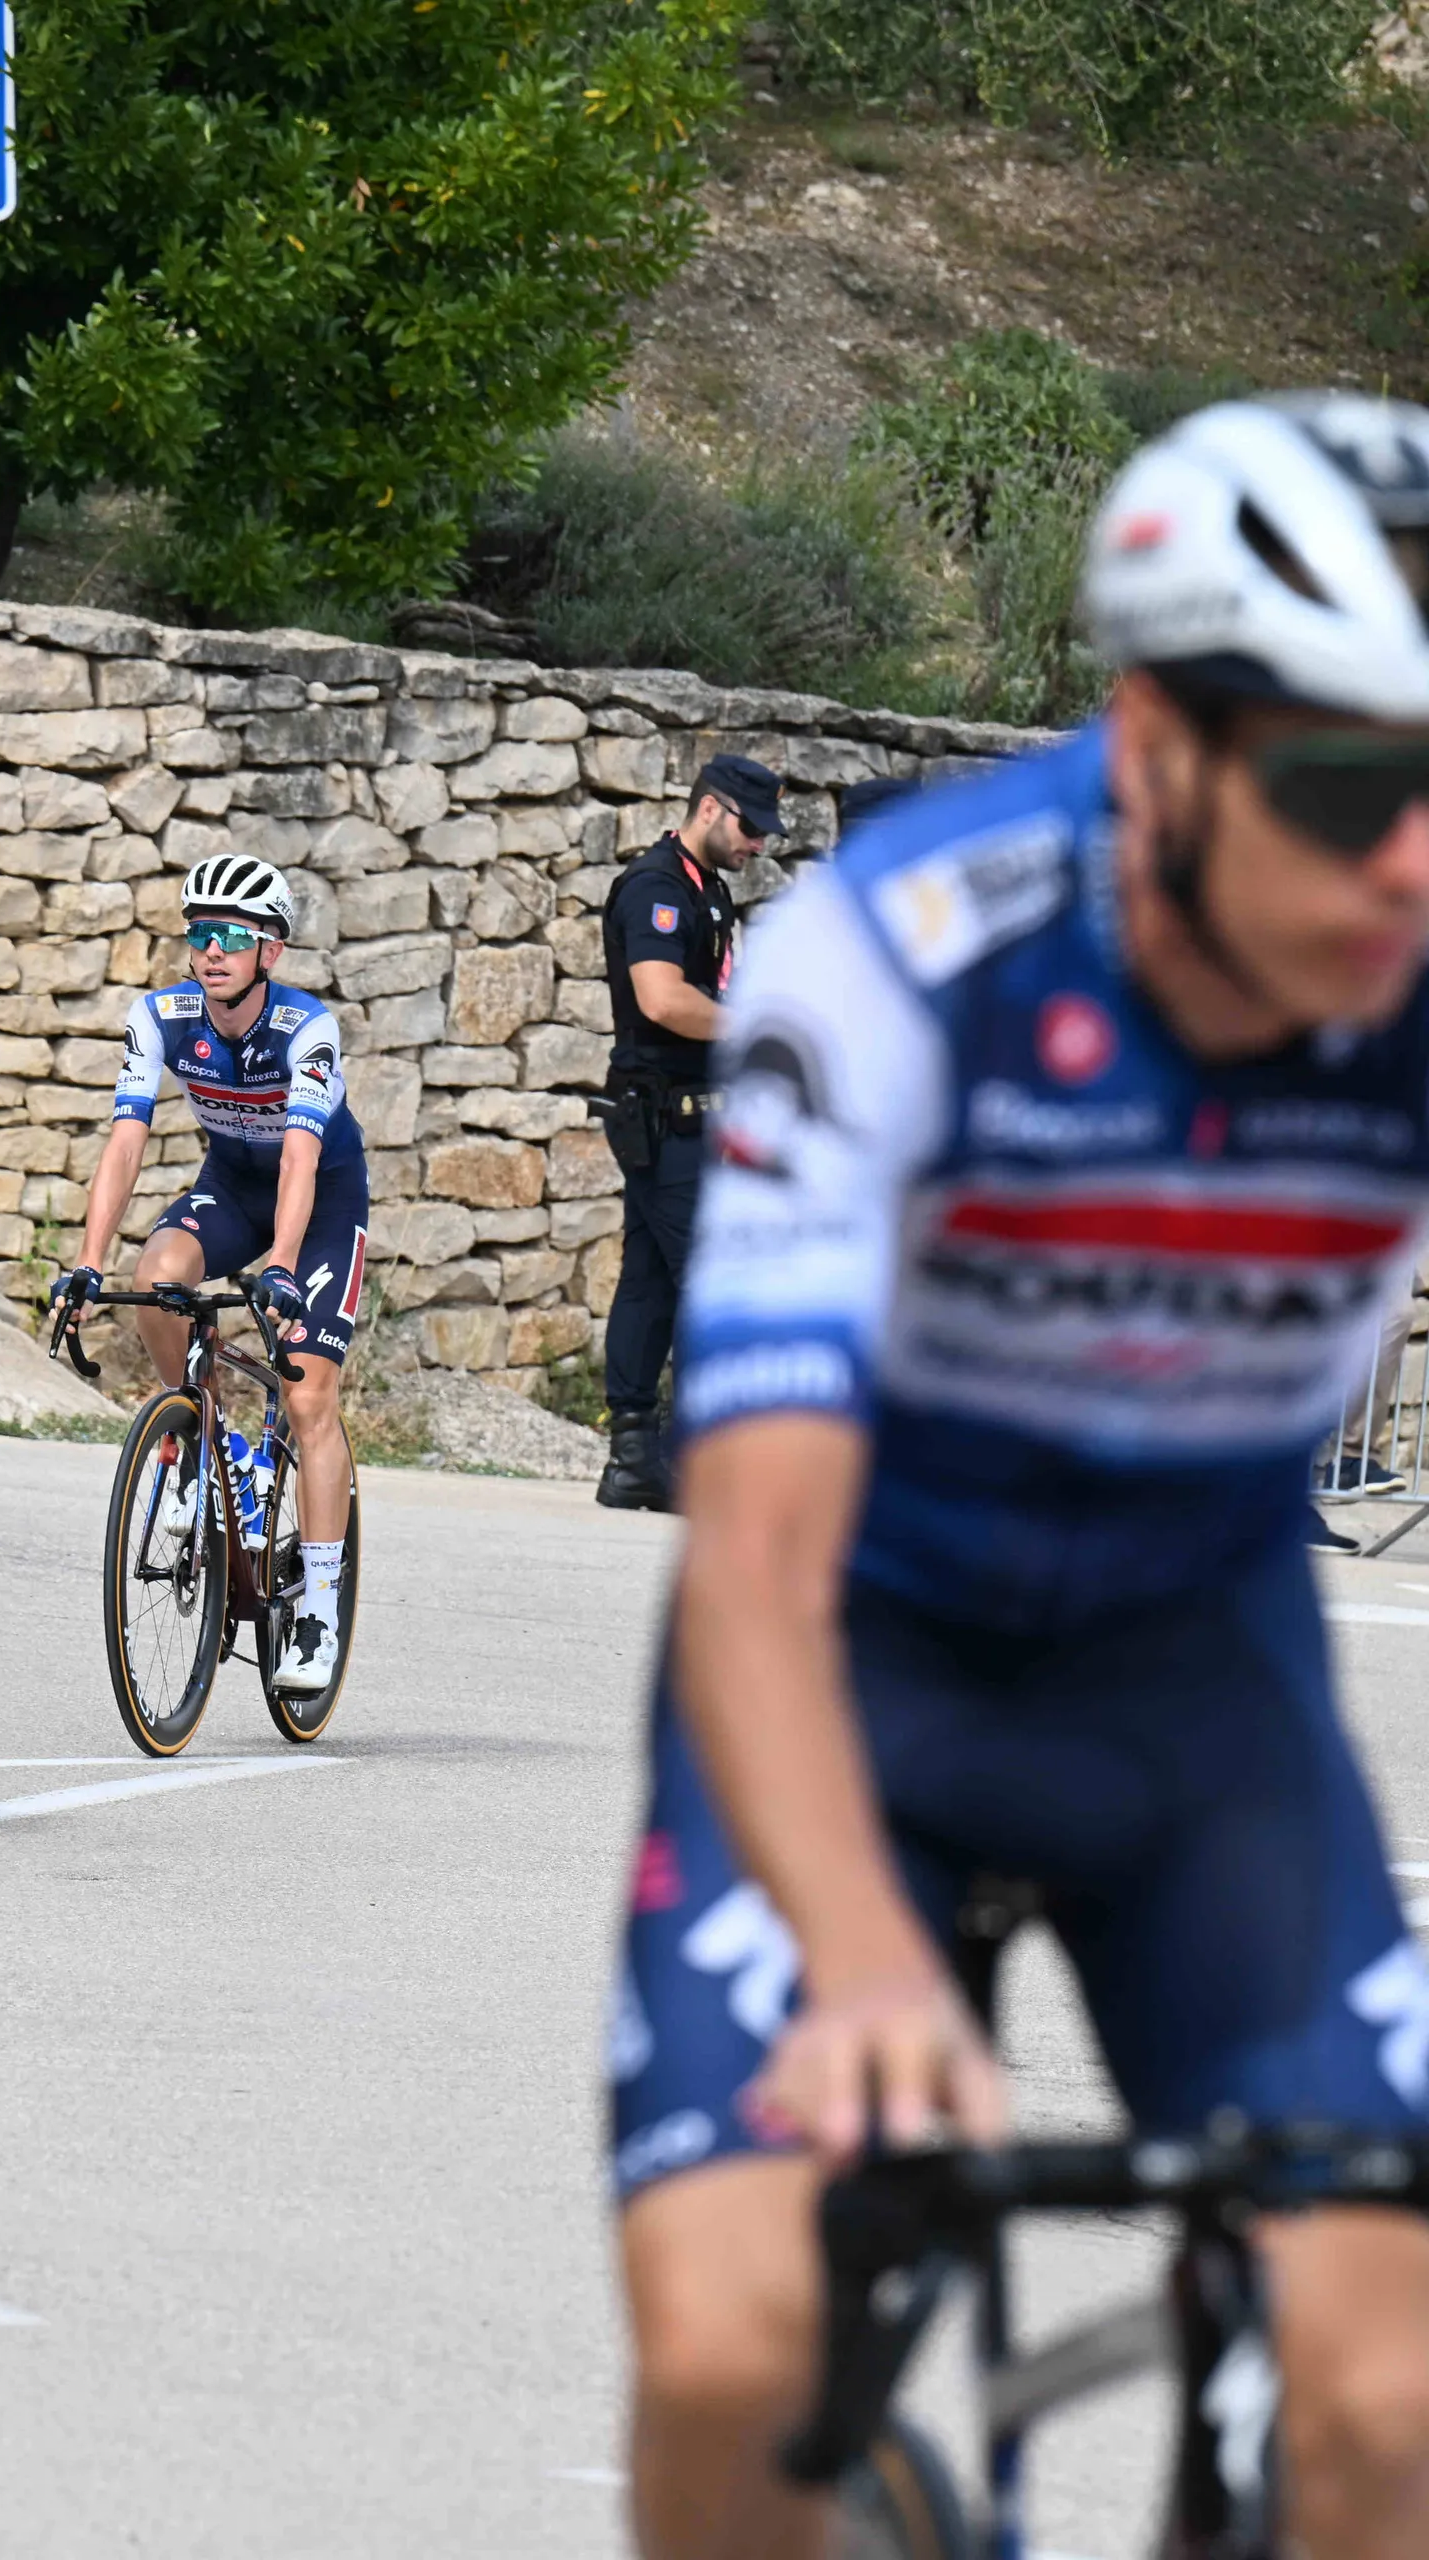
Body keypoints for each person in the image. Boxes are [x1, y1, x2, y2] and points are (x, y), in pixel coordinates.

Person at [611, 394, 1429, 2558]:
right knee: (730, 2357)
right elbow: (758, 1564)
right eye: (1351, 780)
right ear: (1157, 748)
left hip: (1195, 1688)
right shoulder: (890, 964)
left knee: (1392, 2404)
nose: (1411, 857)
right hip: (861, 1663)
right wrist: (867, 1959)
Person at [57, 851, 371, 1694]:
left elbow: (302, 1161)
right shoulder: (161, 1015)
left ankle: (319, 1604)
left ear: (271, 950)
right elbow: (126, 1138)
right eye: (200, 933)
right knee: (157, 1278)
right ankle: (199, 1440)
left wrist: (280, 1267)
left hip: (323, 1202)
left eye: (231, 935)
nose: (211, 950)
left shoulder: (307, 1029)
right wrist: (88, 1262)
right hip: (230, 1187)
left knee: (307, 1393)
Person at [591, 753, 774, 1513]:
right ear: (710, 808)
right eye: (751, 825)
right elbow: (662, 1000)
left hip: (687, 1113)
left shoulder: (708, 891)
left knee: (652, 1279)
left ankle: (637, 1455)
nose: (760, 843)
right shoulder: (657, 888)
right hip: (664, 1115)